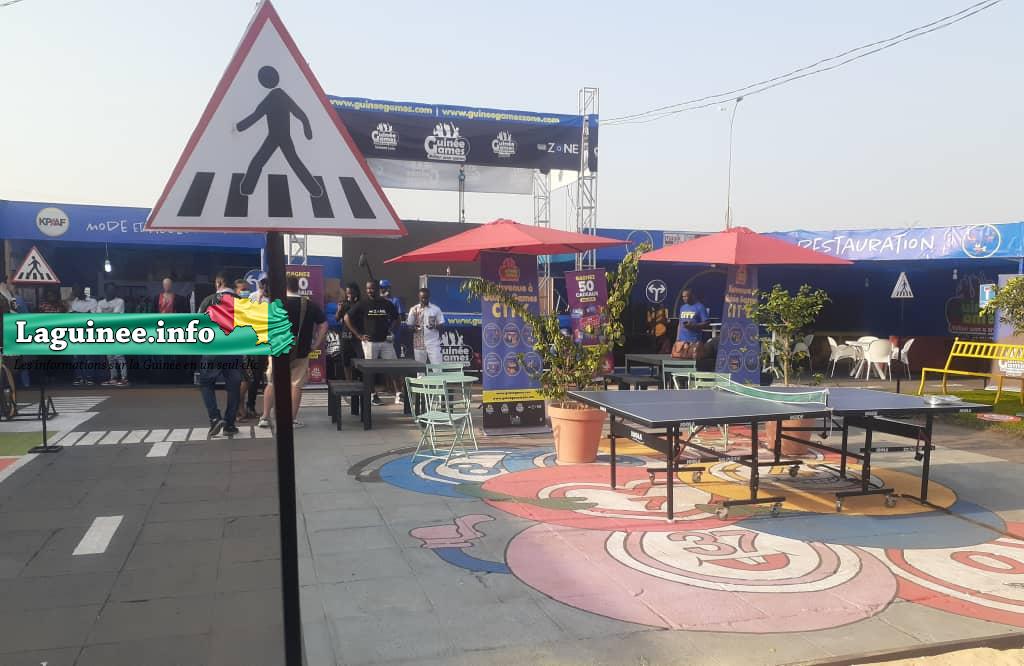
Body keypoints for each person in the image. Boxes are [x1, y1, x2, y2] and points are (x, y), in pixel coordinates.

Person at [259, 275, 327, 429]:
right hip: (301, 351)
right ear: (299, 287)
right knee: (296, 385)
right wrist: (316, 344)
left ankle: (265, 417)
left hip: (277, 350)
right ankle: (291, 420)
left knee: (272, 383)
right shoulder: (310, 305)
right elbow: (323, 325)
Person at [197, 274, 241, 437]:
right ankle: (230, 424)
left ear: (219, 282)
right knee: (234, 387)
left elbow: (198, 323)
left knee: (206, 383)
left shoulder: (208, 300)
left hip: (212, 349)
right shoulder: (241, 302)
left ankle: (215, 418)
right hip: (234, 350)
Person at [344, 280, 400, 406]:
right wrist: (358, 335)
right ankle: (373, 395)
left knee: (394, 367)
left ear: (378, 289)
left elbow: (397, 319)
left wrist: (391, 330)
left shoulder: (386, 303)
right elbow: (346, 318)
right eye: (368, 288)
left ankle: (399, 394)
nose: (370, 291)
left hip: (386, 342)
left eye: (372, 288)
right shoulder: (363, 303)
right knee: (370, 371)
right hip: (369, 343)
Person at [242, 279, 269, 421]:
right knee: (254, 376)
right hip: (254, 341)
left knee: (261, 376)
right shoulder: (252, 296)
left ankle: (251, 406)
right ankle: (249, 407)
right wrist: (259, 298)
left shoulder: (271, 300)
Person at [96, 283, 128, 386]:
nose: (111, 291)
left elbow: (116, 316)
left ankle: (124, 378)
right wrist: (108, 315)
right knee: (110, 357)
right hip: (105, 332)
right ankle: (113, 378)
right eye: (109, 289)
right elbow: (98, 317)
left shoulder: (120, 301)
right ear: (105, 291)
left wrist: (105, 315)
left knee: (119, 355)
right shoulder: (100, 303)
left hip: (118, 331)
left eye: (113, 289)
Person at [406, 288, 445, 365]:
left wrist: (434, 326)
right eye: (422, 298)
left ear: (429, 297)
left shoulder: (435, 309)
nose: (424, 300)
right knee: (420, 369)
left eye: (426, 298)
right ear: (419, 297)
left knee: (437, 367)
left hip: (433, 344)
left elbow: (442, 325)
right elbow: (409, 327)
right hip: (419, 343)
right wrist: (414, 328)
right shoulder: (414, 309)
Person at [69, 286, 98, 385]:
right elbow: (70, 316)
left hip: (89, 332)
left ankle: (90, 377)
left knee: (89, 357)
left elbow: (92, 316)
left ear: (83, 291)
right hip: (76, 333)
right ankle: (79, 377)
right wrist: (84, 314)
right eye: (75, 290)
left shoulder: (93, 301)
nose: (76, 292)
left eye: (78, 290)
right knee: (77, 357)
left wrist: (77, 314)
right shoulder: (73, 302)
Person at [334, 282, 363, 380]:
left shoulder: (360, 304)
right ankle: (349, 382)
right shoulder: (344, 304)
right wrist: (339, 310)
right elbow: (336, 318)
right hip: (345, 336)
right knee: (346, 362)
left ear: (356, 292)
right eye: (347, 293)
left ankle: (361, 380)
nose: (349, 295)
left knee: (360, 360)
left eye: (351, 293)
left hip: (357, 338)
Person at [673, 288, 709, 359]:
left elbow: (707, 323)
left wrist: (694, 325)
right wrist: (677, 338)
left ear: (692, 296)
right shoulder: (682, 307)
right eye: (683, 296)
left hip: (694, 341)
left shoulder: (700, 307)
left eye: (686, 296)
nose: (684, 298)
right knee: (680, 360)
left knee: (691, 362)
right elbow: (680, 324)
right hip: (682, 342)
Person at [379, 279, 404, 360]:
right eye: (381, 288)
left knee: (395, 355)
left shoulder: (395, 300)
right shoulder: (378, 301)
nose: (382, 289)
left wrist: (391, 329)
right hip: (381, 332)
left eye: (383, 287)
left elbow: (400, 317)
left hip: (393, 332)